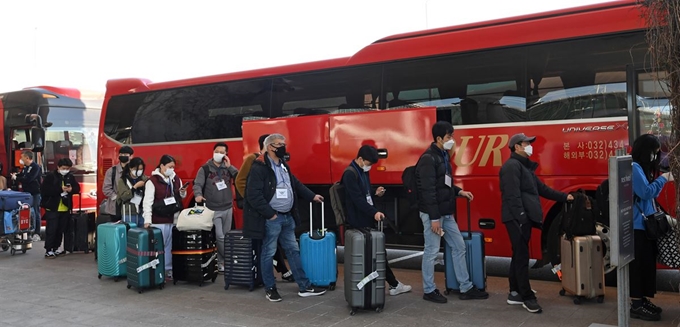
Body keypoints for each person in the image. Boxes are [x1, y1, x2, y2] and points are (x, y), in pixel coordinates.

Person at [243, 133, 326, 302]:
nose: (283, 147)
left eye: (283, 143)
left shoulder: (283, 165)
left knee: (293, 251)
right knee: (269, 252)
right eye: (279, 144)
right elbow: (253, 195)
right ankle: (270, 288)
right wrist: (270, 214)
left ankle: (304, 286)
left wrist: (312, 196)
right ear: (270, 147)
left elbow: (295, 184)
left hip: (287, 217)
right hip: (272, 218)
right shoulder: (259, 167)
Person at [416, 121, 488, 303]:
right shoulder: (428, 159)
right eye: (449, 137)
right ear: (439, 138)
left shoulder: (443, 156)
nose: (452, 140)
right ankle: (429, 290)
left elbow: (444, 184)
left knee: (459, 246)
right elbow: (428, 191)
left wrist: (459, 191)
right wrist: (433, 218)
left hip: (446, 213)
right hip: (434, 214)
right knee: (431, 251)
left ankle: (466, 287)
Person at [500, 133, 572, 314]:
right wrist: (522, 216)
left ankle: (514, 292)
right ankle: (527, 297)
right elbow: (512, 196)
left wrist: (565, 197)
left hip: (522, 218)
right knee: (522, 256)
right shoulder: (511, 167)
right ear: (517, 147)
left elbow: (542, 190)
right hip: (516, 218)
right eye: (526, 144)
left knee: (518, 254)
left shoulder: (524, 168)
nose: (529, 146)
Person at [342, 145, 411, 296]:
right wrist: (374, 212)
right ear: (360, 159)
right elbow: (357, 199)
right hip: (359, 219)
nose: (369, 167)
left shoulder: (361, 171)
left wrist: (374, 193)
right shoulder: (350, 174)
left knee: (377, 253)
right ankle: (393, 284)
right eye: (368, 164)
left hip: (365, 216)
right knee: (378, 253)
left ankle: (390, 284)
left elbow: (364, 194)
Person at [236, 134, 294, 282]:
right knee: (266, 244)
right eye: (278, 144)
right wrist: (251, 201)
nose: (282, 147)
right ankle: (272, 275)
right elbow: (240, 180)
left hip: (270, 209)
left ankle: (278, 271)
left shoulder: (277, 162)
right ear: (267, 145)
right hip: (258, 210)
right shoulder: (254, 160)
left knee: (270, 242)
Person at [629, 134, 673, 321]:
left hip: (645, 225)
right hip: (638, 226)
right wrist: (664, 179)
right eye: (654, 152)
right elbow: (645, 192)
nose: (656, 156)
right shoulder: (634, 168)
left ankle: (643, 299)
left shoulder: (642, 168)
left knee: (647, 264)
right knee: (639, 265)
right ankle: (636, 304)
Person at [193, 142, 239, 274]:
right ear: (213, 152)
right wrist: (198, 195)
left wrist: (230, 167)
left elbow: (240, 177)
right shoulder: (205, 168)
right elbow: (197, 185)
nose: (219, 154)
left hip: (228, 207)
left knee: (226, 236)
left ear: (226, 155)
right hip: (213, 209)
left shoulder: (227, 168)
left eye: (222, 152)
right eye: (217, 151)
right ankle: (229, 259)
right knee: (220, 237)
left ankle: (220, 263)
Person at [142, 155, 187, 280]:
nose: (171, 169)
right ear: (161, 166)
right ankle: (156, 271)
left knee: (170, 246)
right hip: (159, 219)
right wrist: (147, 220)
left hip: (173, 219)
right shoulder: (152, 181)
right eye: (169, 167)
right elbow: (148, 202)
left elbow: (181, 195)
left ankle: (168, 270)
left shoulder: (175, 179)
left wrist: (183, 192)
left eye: (173, 167)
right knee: (159, 247)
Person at [40, 158, 80, 258]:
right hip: (52, 207)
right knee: (51, 230)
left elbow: (77, 188)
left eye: (67, 168)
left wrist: (71, 189)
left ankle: (56, 247)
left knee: (60, 229)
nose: (65, 170)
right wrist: (59, 189)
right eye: (63, 168)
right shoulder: (50, 177)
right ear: (58, 167)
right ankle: (48, 249)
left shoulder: (70, 177)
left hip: (65, 207)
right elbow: (45, 190)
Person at [12, 151, 42, 241]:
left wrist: (17, 178)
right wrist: (16, 175)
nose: (21, 160)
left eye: (22, 158)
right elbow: (23, 175)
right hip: (26, 193)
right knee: (27, 212)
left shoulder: (35, 167)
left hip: (35, 193)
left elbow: (29, 179)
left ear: (27, 158)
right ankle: (28, 231)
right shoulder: (26, 167)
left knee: (36, 212)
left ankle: (37, 233)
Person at [101, 146, 134, 221]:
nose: (123, 156)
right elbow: (106, 189)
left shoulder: (134, 171)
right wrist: (118, 198)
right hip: (115, 208)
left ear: (131, 156)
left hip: (131, 208)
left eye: (125, 154)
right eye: (121, 154)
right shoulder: (111, 171)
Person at [116, 157, 148, 225]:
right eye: (137, 169)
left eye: (141, 169)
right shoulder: (123, 180)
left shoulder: (144, 179)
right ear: (130, 168)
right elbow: (124, 197)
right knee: (131, 233)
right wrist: (135, 187)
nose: (139, 171)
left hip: (142, 211)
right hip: (129, 211)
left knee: (142, 233)